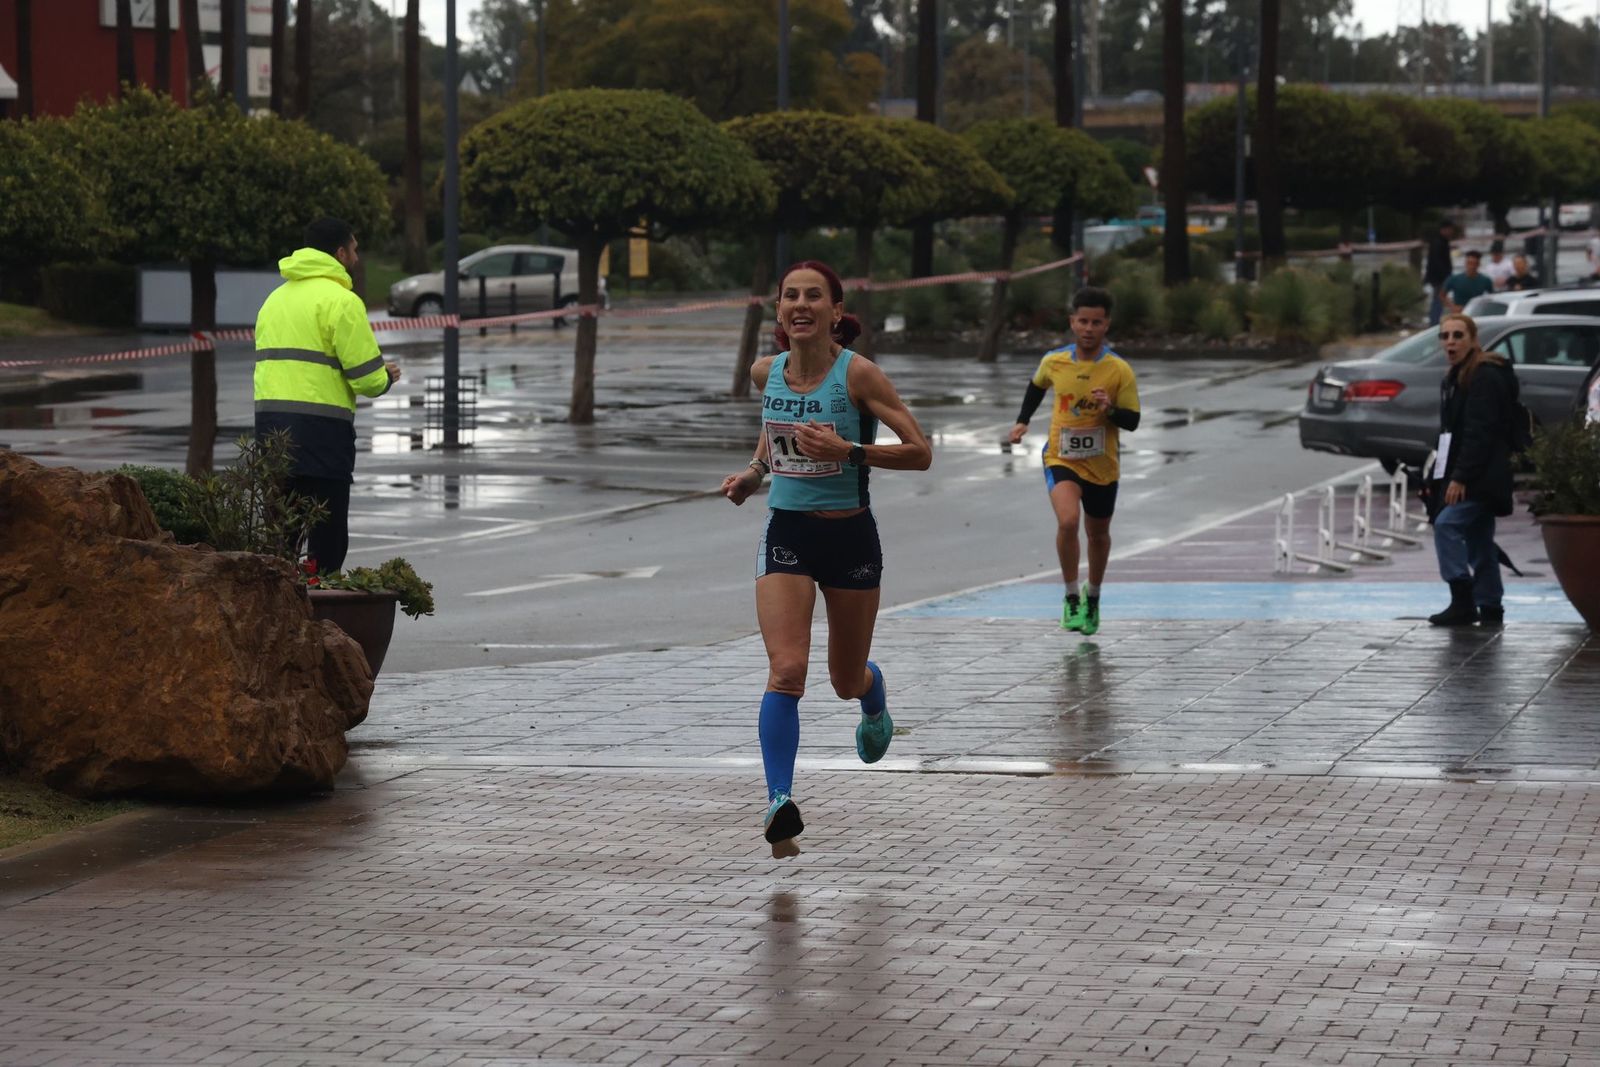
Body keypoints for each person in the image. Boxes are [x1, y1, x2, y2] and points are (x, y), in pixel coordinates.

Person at [720, 260, 932, 859]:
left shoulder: (859, 375)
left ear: (835, 311)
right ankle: (779, 803)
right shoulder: (767, 372)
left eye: (814, 296)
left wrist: (851, 450)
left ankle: (872, 691)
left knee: (843, 679)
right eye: (790, 295)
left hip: (850, 539)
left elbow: (920, 451)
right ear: (779, 310)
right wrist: (755, 471)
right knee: (787, 671)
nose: (801, 304)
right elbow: (775, 427)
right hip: (787, 534)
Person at [254, 217, 400, 574]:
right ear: (340, 253)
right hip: (323, 434)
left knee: (280, 535)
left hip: (271, 431)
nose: (357, 257)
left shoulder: (274, 300)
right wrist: (386, 377)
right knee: (326, 536)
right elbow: (367, 379)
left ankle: (278, 596)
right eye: (354, 249)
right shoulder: (342, 302)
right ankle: (318, 596)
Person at [1007, 287, 1141, 637]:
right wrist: (1022, 421)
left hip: (1102, 465)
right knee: (1068, 521)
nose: (1088, 329)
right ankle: (1070, 597)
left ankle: (1092, 597)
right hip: (1061, 456)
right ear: (1072, 322)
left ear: (1106, 325)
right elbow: (1037, 386)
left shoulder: (1118, 370)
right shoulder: (1054, 361)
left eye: (1096, 322)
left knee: (1098, 534)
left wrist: (1109, 409)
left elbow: (1133, 421)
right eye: (1083, 321)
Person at [1427, 314, 1520, 628]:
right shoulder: (1456, 376)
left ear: (1473, 339)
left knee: (1446, 525)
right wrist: (1437, 475)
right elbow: (1450, 434)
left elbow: (1480, 432)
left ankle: (1462, 599)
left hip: (1482, 476)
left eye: (1458, 335)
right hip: (1474, 473)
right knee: (1479, 540)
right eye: (1445, 336)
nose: (1450, 342)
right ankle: (1490, 606)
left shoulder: (1483, 375)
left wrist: (1460, 477)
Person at [1441, 249, 1494, 314]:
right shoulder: (1454, 279)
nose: (1471, 267)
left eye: (1474, 264)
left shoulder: (1485, 280)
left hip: (1476, 313)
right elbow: (1442, 295)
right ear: (1465, 263)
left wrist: (1484, 307)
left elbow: (1492, 297)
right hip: (1459, 313)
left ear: (1478, 264)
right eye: (1469, 263)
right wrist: (1452, 307)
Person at [1424, 220, 1456, 325]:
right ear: (1444, 229)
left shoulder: (1442, 241)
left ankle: (1435, 321)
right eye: (1450, 229)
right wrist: (1445, 275)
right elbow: (1436, 261)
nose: (1451, 232)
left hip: (1439, 277)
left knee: (1439, 300)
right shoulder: (1438, 242)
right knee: (1438, 300)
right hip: (1438, 278)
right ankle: (1434, 323)